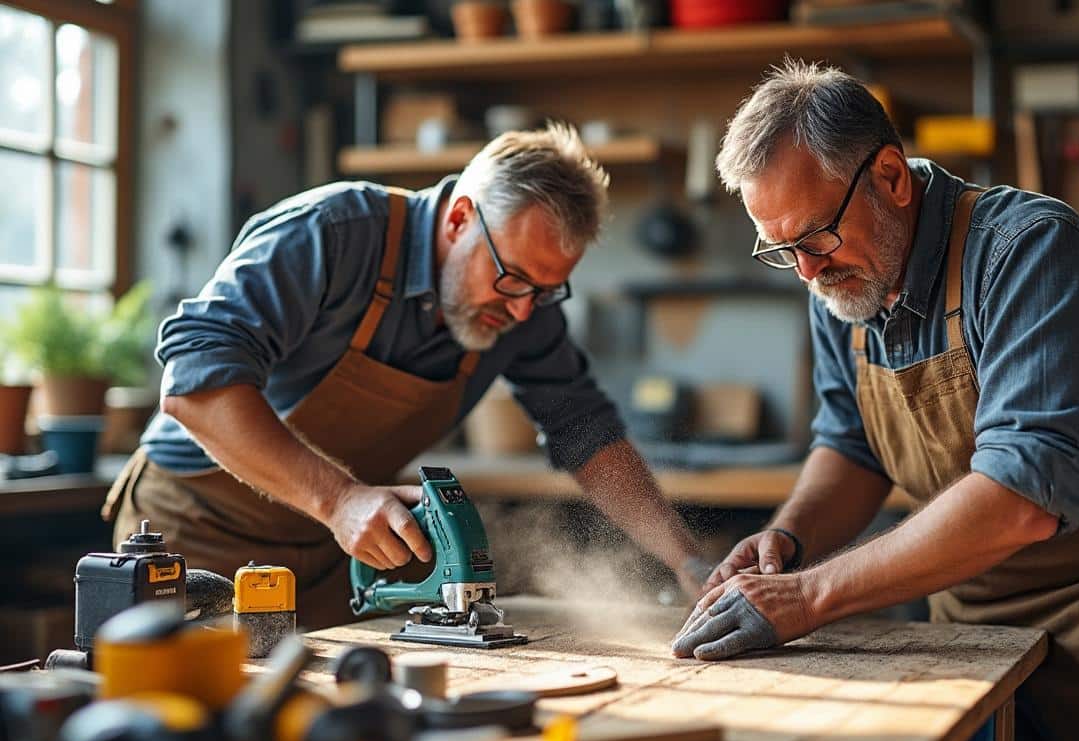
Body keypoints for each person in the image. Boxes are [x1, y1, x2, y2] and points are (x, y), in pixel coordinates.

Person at [673, 61, 1079, 741]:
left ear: (891, 179)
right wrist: (789, 541)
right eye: (782, 250)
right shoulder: (844, 280)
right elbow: (853, 444)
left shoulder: (1030, 252)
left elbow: (1026, 492)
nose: (807, 272)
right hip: (964, 627)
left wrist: (807, 597)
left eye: (814, 238)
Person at [103, 123, 711, 629]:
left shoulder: (524, 309)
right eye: (514, 279)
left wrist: (686, 562)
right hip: (197, 534)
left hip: (325, 557)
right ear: (459, 220)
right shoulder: (334, 233)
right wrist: (339, 500)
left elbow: (586, 433)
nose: (525, 310)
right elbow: (194, 382)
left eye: (548, 291)